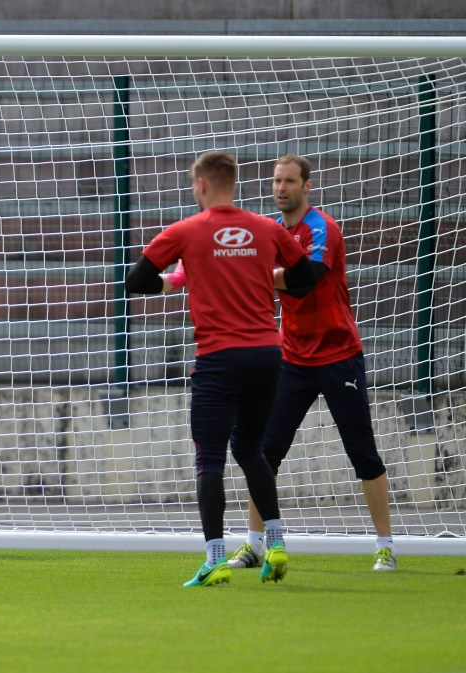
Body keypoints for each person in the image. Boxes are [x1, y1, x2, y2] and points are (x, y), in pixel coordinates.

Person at [125, 151, 316, 587]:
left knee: (209, 459)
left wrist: (187, 277)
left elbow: (136, 281)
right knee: (251, 451)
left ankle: (214, 559)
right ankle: (278, 543)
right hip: (269, 355)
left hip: (219, 357)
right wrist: (248, 272)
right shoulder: (267, 229)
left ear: (203, 185)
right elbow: (305, 278)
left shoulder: (187, 232)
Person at [227, 154, 396, 572]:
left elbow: (308, 277)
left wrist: (255, 273)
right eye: (276, 181)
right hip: (293, 358)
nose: (281, 188)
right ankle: (253, 544)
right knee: (263, 451)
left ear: (307, 186)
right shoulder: (268, 233)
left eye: (289, 181)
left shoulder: (322, 228)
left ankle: (385, 546)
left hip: (338, 355)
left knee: (363, 453)